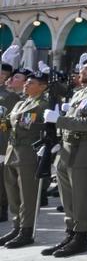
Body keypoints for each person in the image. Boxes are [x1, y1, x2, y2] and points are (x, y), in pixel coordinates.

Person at [43, 51, 87, 257]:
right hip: (66, 149)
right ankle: (70, 233)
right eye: (82, 68)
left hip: (86, 150)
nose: (82, 71)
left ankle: (81, 237)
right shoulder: (81, 92)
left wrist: (60, 120)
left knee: (81, 196)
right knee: (67, 197)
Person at [1, 65, 48, 248]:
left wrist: (12, 120)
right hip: (12, 150)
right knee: (12, 191)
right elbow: (10, 121)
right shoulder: (22, 102)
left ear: (42, 86)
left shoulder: (41, 104)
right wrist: (12, 120)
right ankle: (16, 226)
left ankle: (26, 230)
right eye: (26, 82)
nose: (27, 85)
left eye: (31, 83)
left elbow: (23, 125)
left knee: (27, 193)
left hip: (27, 152)